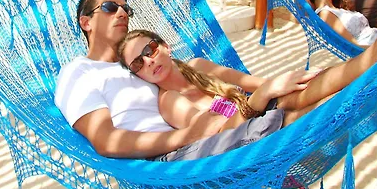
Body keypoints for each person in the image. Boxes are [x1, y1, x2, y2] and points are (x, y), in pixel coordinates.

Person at [55, 0, 377, 161]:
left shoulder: (180, 67)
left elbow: (248, 85)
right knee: (293, 111)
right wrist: (250, 101)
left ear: (164, 46)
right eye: (110, 7)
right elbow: (107, 140)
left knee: (298, 91)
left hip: (235, 120)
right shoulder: (80, 74)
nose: (121, 12)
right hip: (192, 151)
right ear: (86, 21)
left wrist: (275, 85)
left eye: (125, 8)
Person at [117, 29, 322, 133]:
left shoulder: (198, 66)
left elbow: (258, 83)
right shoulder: (170, 101)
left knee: (313, 87)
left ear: (166, 46)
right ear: (138, 75)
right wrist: (260, 97)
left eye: (150, 50)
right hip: (259, 143)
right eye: (137, 64)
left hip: (269, 114)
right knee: (321, 109)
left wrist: (285, 83)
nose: (148, 61)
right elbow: (222, 136)